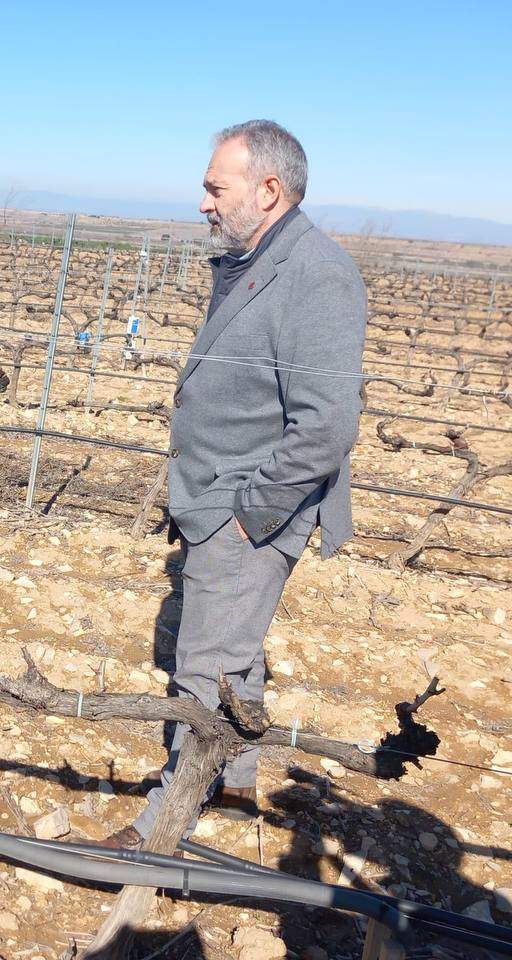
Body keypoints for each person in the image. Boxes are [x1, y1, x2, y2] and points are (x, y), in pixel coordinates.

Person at [97, 120, 368, 847]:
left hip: (247, 508)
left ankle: (163, 828)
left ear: (269, 190)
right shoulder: (258, 259)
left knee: (203, 670)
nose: (203, 202)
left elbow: (328, 424)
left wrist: (249, 517)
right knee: (233, 656)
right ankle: (237, 779)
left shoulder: (316, 274)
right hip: (219, 496)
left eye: (216, 187)